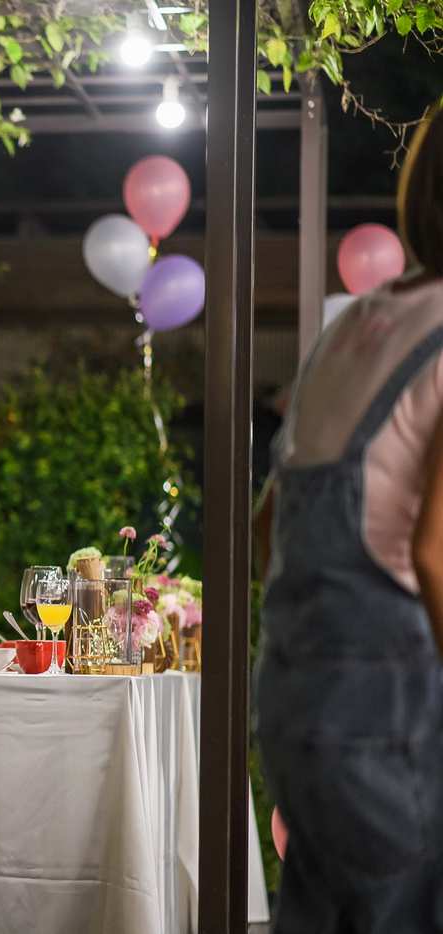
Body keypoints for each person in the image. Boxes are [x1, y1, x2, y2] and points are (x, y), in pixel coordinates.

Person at [257, 107, 443, 934]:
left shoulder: (358, 325)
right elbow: (436, 552)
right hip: (393, 722)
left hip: (298, 710)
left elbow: (266, 526)